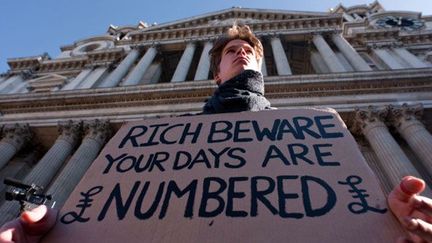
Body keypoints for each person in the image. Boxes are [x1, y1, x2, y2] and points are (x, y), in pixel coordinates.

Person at [1, 24, 432, 243]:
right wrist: (64, 228)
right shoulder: (166, 140)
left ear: (263, 68)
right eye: (230, 51)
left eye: (250, 51)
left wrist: (382, 219)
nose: (241, 51)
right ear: (215, 72)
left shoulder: (307, 133)